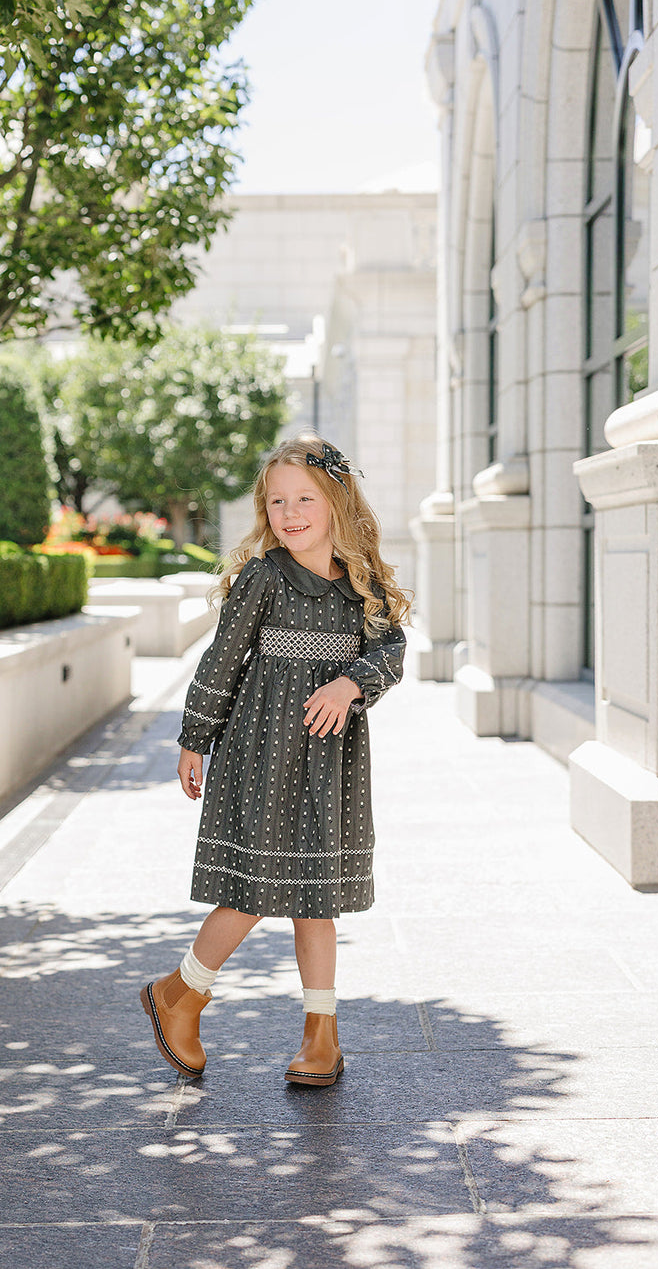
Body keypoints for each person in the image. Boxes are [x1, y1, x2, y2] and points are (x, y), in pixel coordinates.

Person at [140, 433, 410, 1086]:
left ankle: (322, 1038)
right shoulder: (263, 579)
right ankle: (181, 993)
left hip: (328, 766)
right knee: (251, 889)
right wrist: (195, 737)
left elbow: (392, 651)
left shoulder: (361, 585)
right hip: (260, 759)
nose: (290, 512)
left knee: (317, 899)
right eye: (277, 501)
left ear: (338, 500)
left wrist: (352, 684)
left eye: (305, 498)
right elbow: (221, 661)